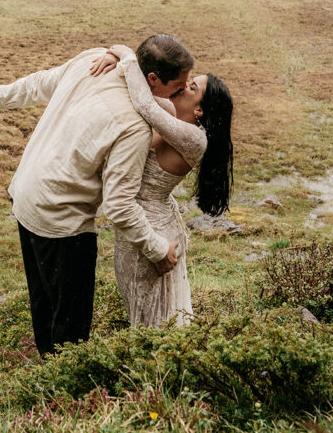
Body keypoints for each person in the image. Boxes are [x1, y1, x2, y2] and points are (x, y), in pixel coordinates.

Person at [0, 34, 194, 356]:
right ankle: (64, 393)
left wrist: (0, 94)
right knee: (71, 328)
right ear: (153, 79)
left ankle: (45, 378)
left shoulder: (93, 60)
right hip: (62, 218)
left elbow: (42, 82)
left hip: (26, 193)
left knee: (44, 303)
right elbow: (119, 205)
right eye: (178, 87)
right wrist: (158, 249)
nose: (183, 93)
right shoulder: (134, 126)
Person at [91, 44, 233, 327]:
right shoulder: (173, 115)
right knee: (143, 306)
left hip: (149, 229)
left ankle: (157, 366)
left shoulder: (194, 139)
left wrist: (127, 55)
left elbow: (144, 103)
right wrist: (116, 56)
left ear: (200, 110)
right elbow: (141, 92)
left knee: (151, 314)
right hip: (143, 218)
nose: (183, 87)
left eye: (192, 88)